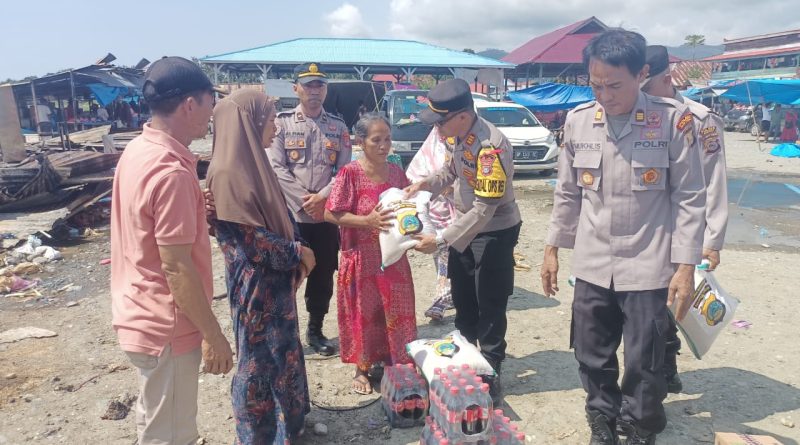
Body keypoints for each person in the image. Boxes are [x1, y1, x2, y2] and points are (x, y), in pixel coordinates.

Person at [540, 30, 706, 445]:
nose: (605, 95)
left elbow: (690, 198)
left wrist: (686, 268)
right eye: (596, 85)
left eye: (614, 85)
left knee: (644, 358)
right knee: (591, 352)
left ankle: (638, 425)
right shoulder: (579, 121)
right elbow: (567, 193)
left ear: (642, 73)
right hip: (594, 263)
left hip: (649, 265)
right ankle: (602, 417)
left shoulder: (671, 121)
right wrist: (551, 249)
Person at [110, 56, 233, 445]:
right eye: (210, 103)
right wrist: (213, 336)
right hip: (167, 324)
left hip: (137, 312)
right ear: (190, 104)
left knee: (155, 421)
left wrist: (193, 202)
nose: (211, 115)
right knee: (173, 435)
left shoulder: (138, 150)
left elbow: (145, 223)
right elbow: (176, 267)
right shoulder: (172, 172)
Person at [405, 79, 522, 404]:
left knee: (490, 303)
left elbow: (486, 209)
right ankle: (465, 359)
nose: (437, 129)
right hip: (466, 229)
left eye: (440, 122)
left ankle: (491, 368)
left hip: (493, 232)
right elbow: (452, 174)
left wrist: (441, 239)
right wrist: (424, 185)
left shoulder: (490, 148)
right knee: (464, 298)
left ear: (461, 115)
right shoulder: (459, 137)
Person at [207, 89, 313, 444]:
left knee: (282, 357)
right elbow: (253, 243)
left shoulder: (254, 165)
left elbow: (279, 220)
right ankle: (260, 436)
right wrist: (299, 253)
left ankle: (290, 428)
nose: (275, 129)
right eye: (270, 121)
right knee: (259, 364)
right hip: (256, 292)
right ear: (248, 124)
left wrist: (298, 250)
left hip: (273, 287)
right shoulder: (227, 174)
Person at [641, 45, 729, 395]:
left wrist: (713, 240)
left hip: (683, 229)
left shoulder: (699, 118)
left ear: (665, 77)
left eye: (645, 86)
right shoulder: (632, 112)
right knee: (650, 305)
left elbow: (715, 179)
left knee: (670, 300)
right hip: (645, 227)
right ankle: (664, 366)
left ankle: (663, 369)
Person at [324, 113, 417, 395]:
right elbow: (331, 212)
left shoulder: (397, 172)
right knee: (365, 313)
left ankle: (395, 361)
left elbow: (407, 207)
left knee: (397, 310)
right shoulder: (349, 173)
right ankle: (362, 369)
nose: (383, 145)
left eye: (387, 139)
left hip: (393, 257)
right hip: (361, 258)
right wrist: (366, 221)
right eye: (376, 140)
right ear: (360, 142)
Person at [267, 62, 352, 356]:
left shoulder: (338, 127)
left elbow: (343, 170)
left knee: (323, 273)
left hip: (326, 216)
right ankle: (283, 334)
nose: (314, 91)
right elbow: (276, 168)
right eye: (308, 85)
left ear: (326, 90)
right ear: (296, 89)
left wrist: (323, 199)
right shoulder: (282, 124)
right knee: (285, 273)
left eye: (320, 85)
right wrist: (306, 200)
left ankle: (315, 330)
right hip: (290, 215)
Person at [405, 126, 457, 321]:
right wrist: (430, 186)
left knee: (450, 251)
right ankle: (447, 293)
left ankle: (443, 297)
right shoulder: (432, 144)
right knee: (440, 251)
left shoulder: (463, 144)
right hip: (435, 208)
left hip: (460, 210)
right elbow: (415, 172)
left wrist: (453, 187)